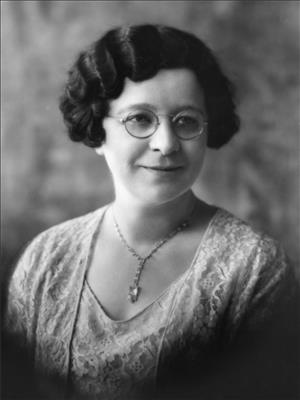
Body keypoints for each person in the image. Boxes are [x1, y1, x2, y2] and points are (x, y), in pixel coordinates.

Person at [3, 24, 299, 400]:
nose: (166, 144)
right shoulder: (45, 259)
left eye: (186, 121)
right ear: (97, 131)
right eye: (140, 119)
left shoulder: (254, 269)